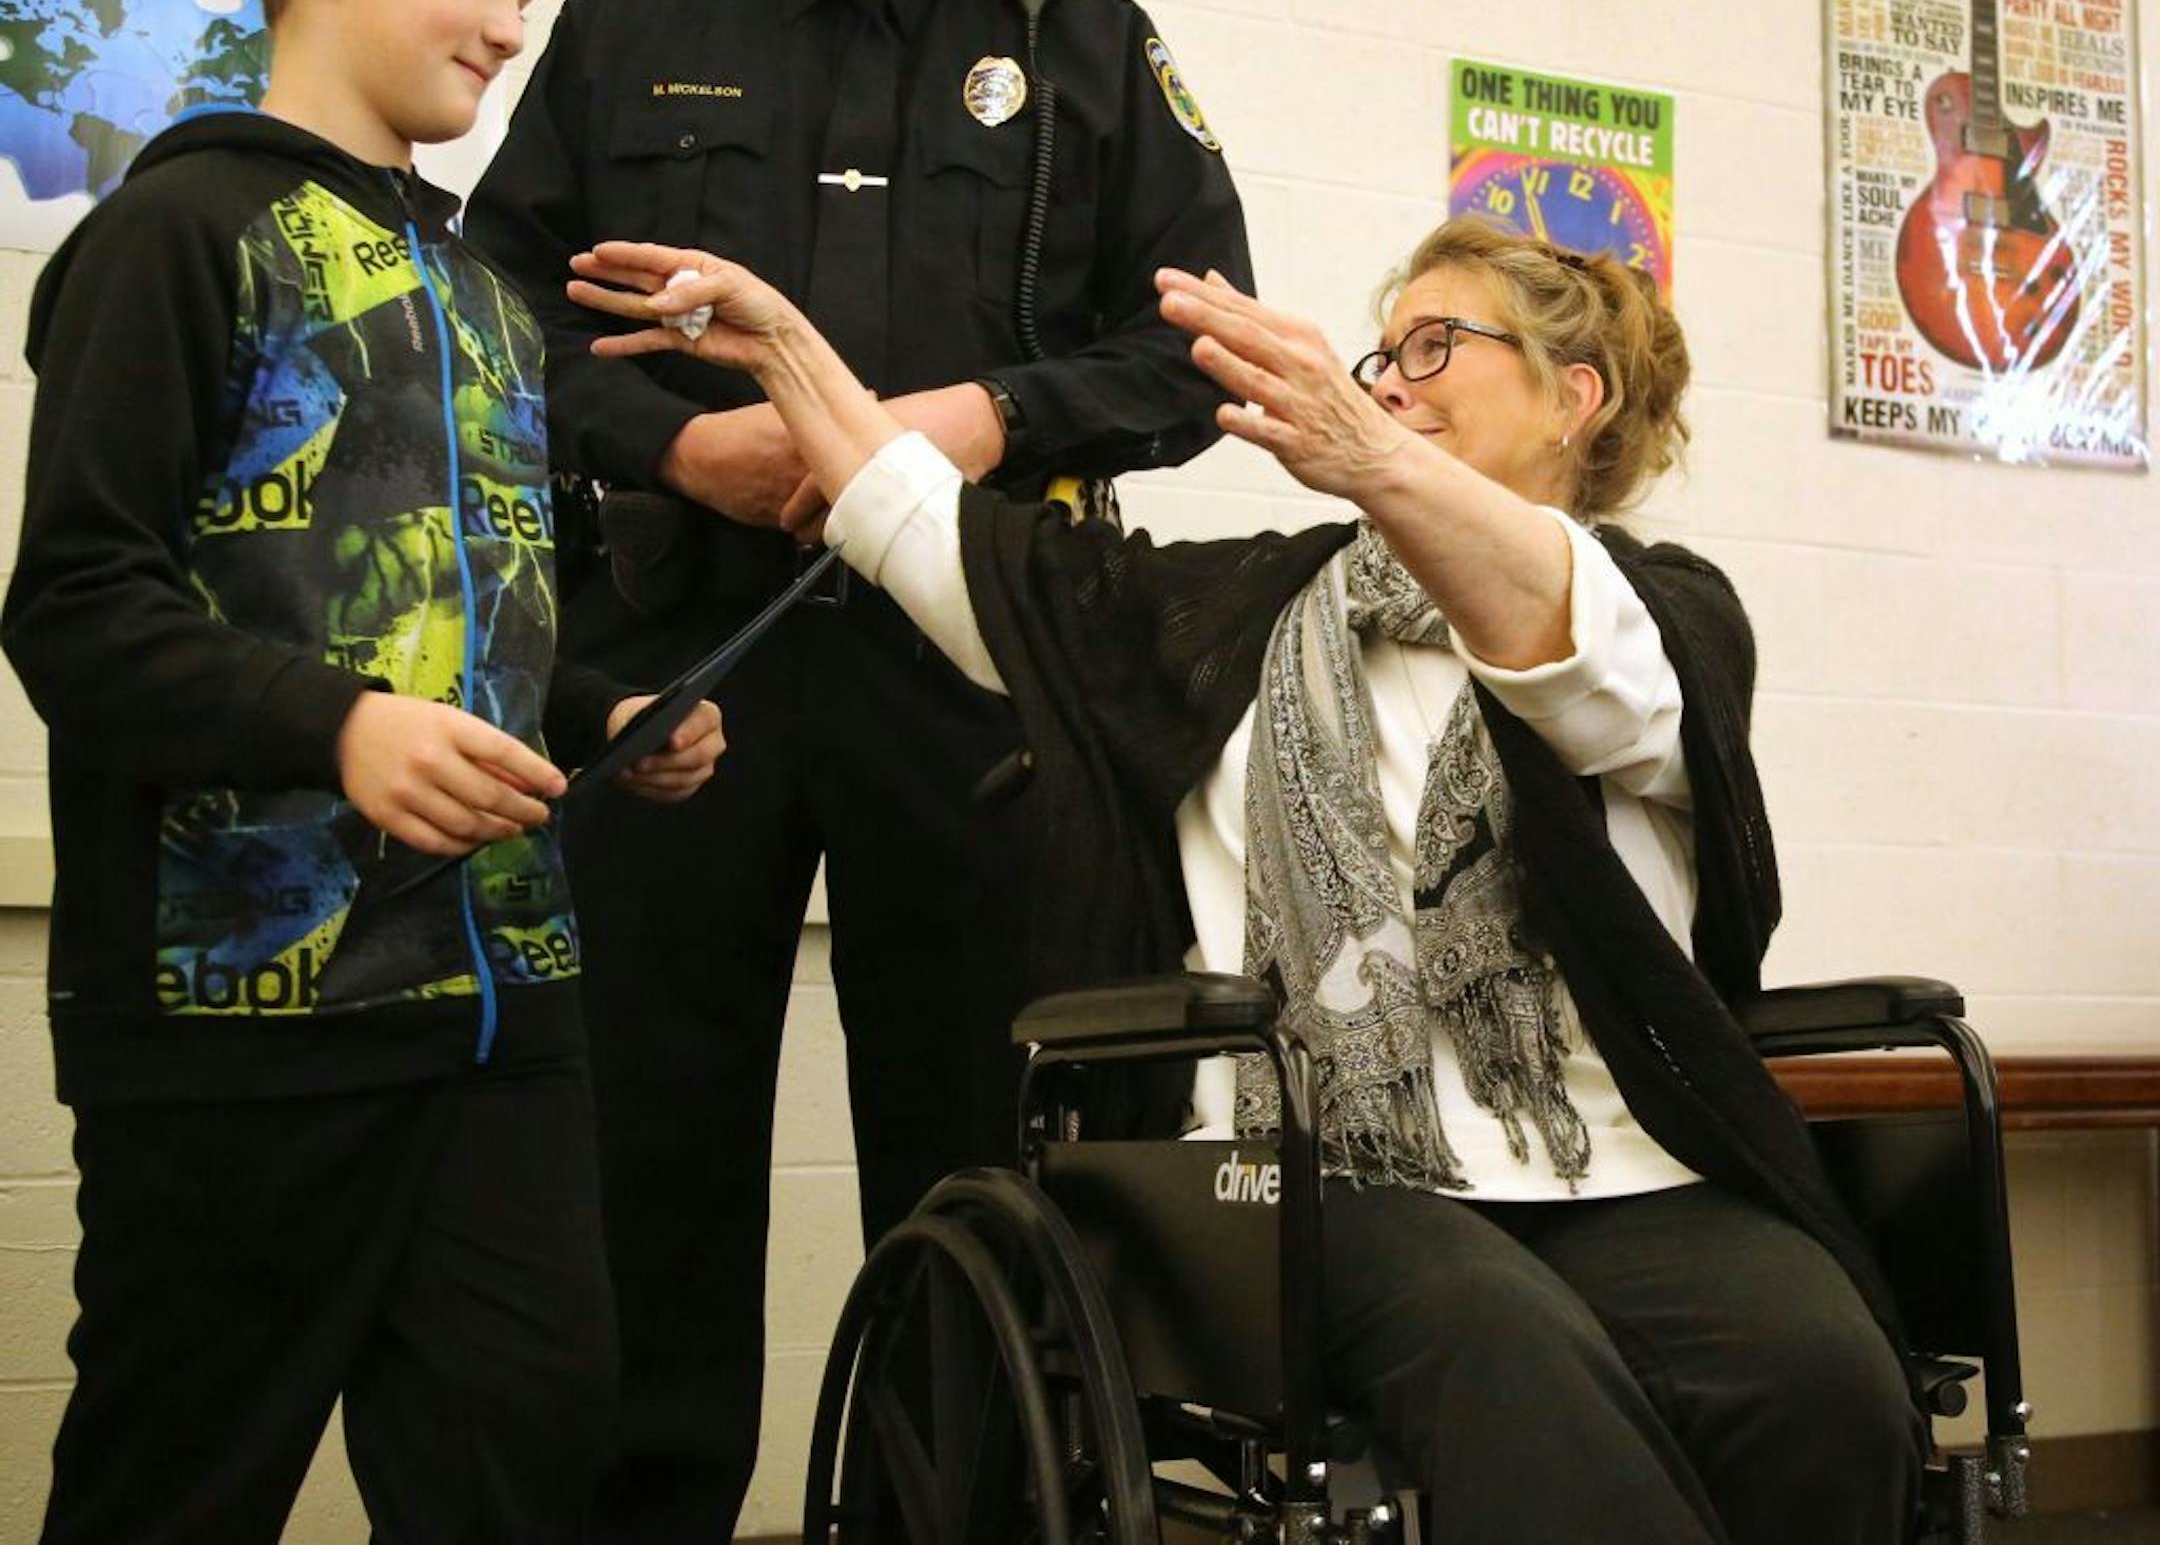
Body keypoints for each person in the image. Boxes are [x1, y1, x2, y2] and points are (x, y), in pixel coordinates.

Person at [570, 214, 1928, 1545]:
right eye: (1379, 353)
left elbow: (1558, 649)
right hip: (1300, 1175)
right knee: (1502, 1360)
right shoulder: (1232, 617)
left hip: (1614, 1169)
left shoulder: (1663, 616)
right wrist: (790, 356)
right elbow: (940, 540)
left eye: (1434, 345)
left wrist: (1374, 457)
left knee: (1822, 1371)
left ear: (1576, 397)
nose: (1386, 379)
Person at [462, 0, 1252, 1529]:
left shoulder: (1089, 53)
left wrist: (976, 419)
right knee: (645, 1145)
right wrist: (680, 445)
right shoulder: (642, 9)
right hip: (681, 661)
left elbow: (1193, 359)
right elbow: (492, 318)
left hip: (972, 678)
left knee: (972, 1157)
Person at [1, 0, 723, 1544]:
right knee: (181, 1480)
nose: (505, 30)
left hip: (503, 1021)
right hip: (242, 1038)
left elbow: (460, 623)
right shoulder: (172, 241)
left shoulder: (490, 301)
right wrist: (339, 734)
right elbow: (79, 606)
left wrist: (598, 709)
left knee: (530, 1460)